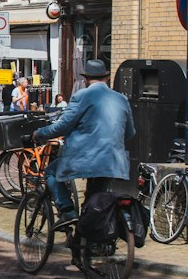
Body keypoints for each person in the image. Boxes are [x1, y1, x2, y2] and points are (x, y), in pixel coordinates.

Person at [33, 57, 136, 226]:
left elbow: (63, 126)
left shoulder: (81, 96)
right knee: (96, 197)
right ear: (107, 77)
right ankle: (90, 238)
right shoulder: (121, 99)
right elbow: (130, 132)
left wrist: (40, 133)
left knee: (51, 172)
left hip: (86, 158)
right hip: (113, 160)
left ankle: (67, 211)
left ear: (86, 79)